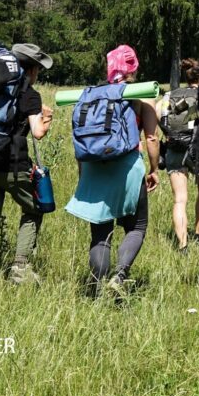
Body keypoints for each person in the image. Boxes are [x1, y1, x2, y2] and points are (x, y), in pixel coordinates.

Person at [66, 45, 160, 299]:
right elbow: (151, 137)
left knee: (100, 232)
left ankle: (95, 289)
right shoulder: (141, 96)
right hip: (128, 168)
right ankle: (119, 276)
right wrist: (154, 169)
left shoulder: (91, 95)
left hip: (94, 168)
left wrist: (82, 172)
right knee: (136, 227)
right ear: (133, 68)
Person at [0, 44, 54, 286]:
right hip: (14, 166)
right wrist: (47, 119)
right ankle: (20, 267)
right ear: (32, 70)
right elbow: (37, 132)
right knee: (36, 207)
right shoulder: (28, 93)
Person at [156, 58, 199, 252]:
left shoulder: (170, 95)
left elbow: (157, 112)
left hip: (174, 145)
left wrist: (168, 133)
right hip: (198, 148)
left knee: (179, 199)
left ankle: (182, 244)